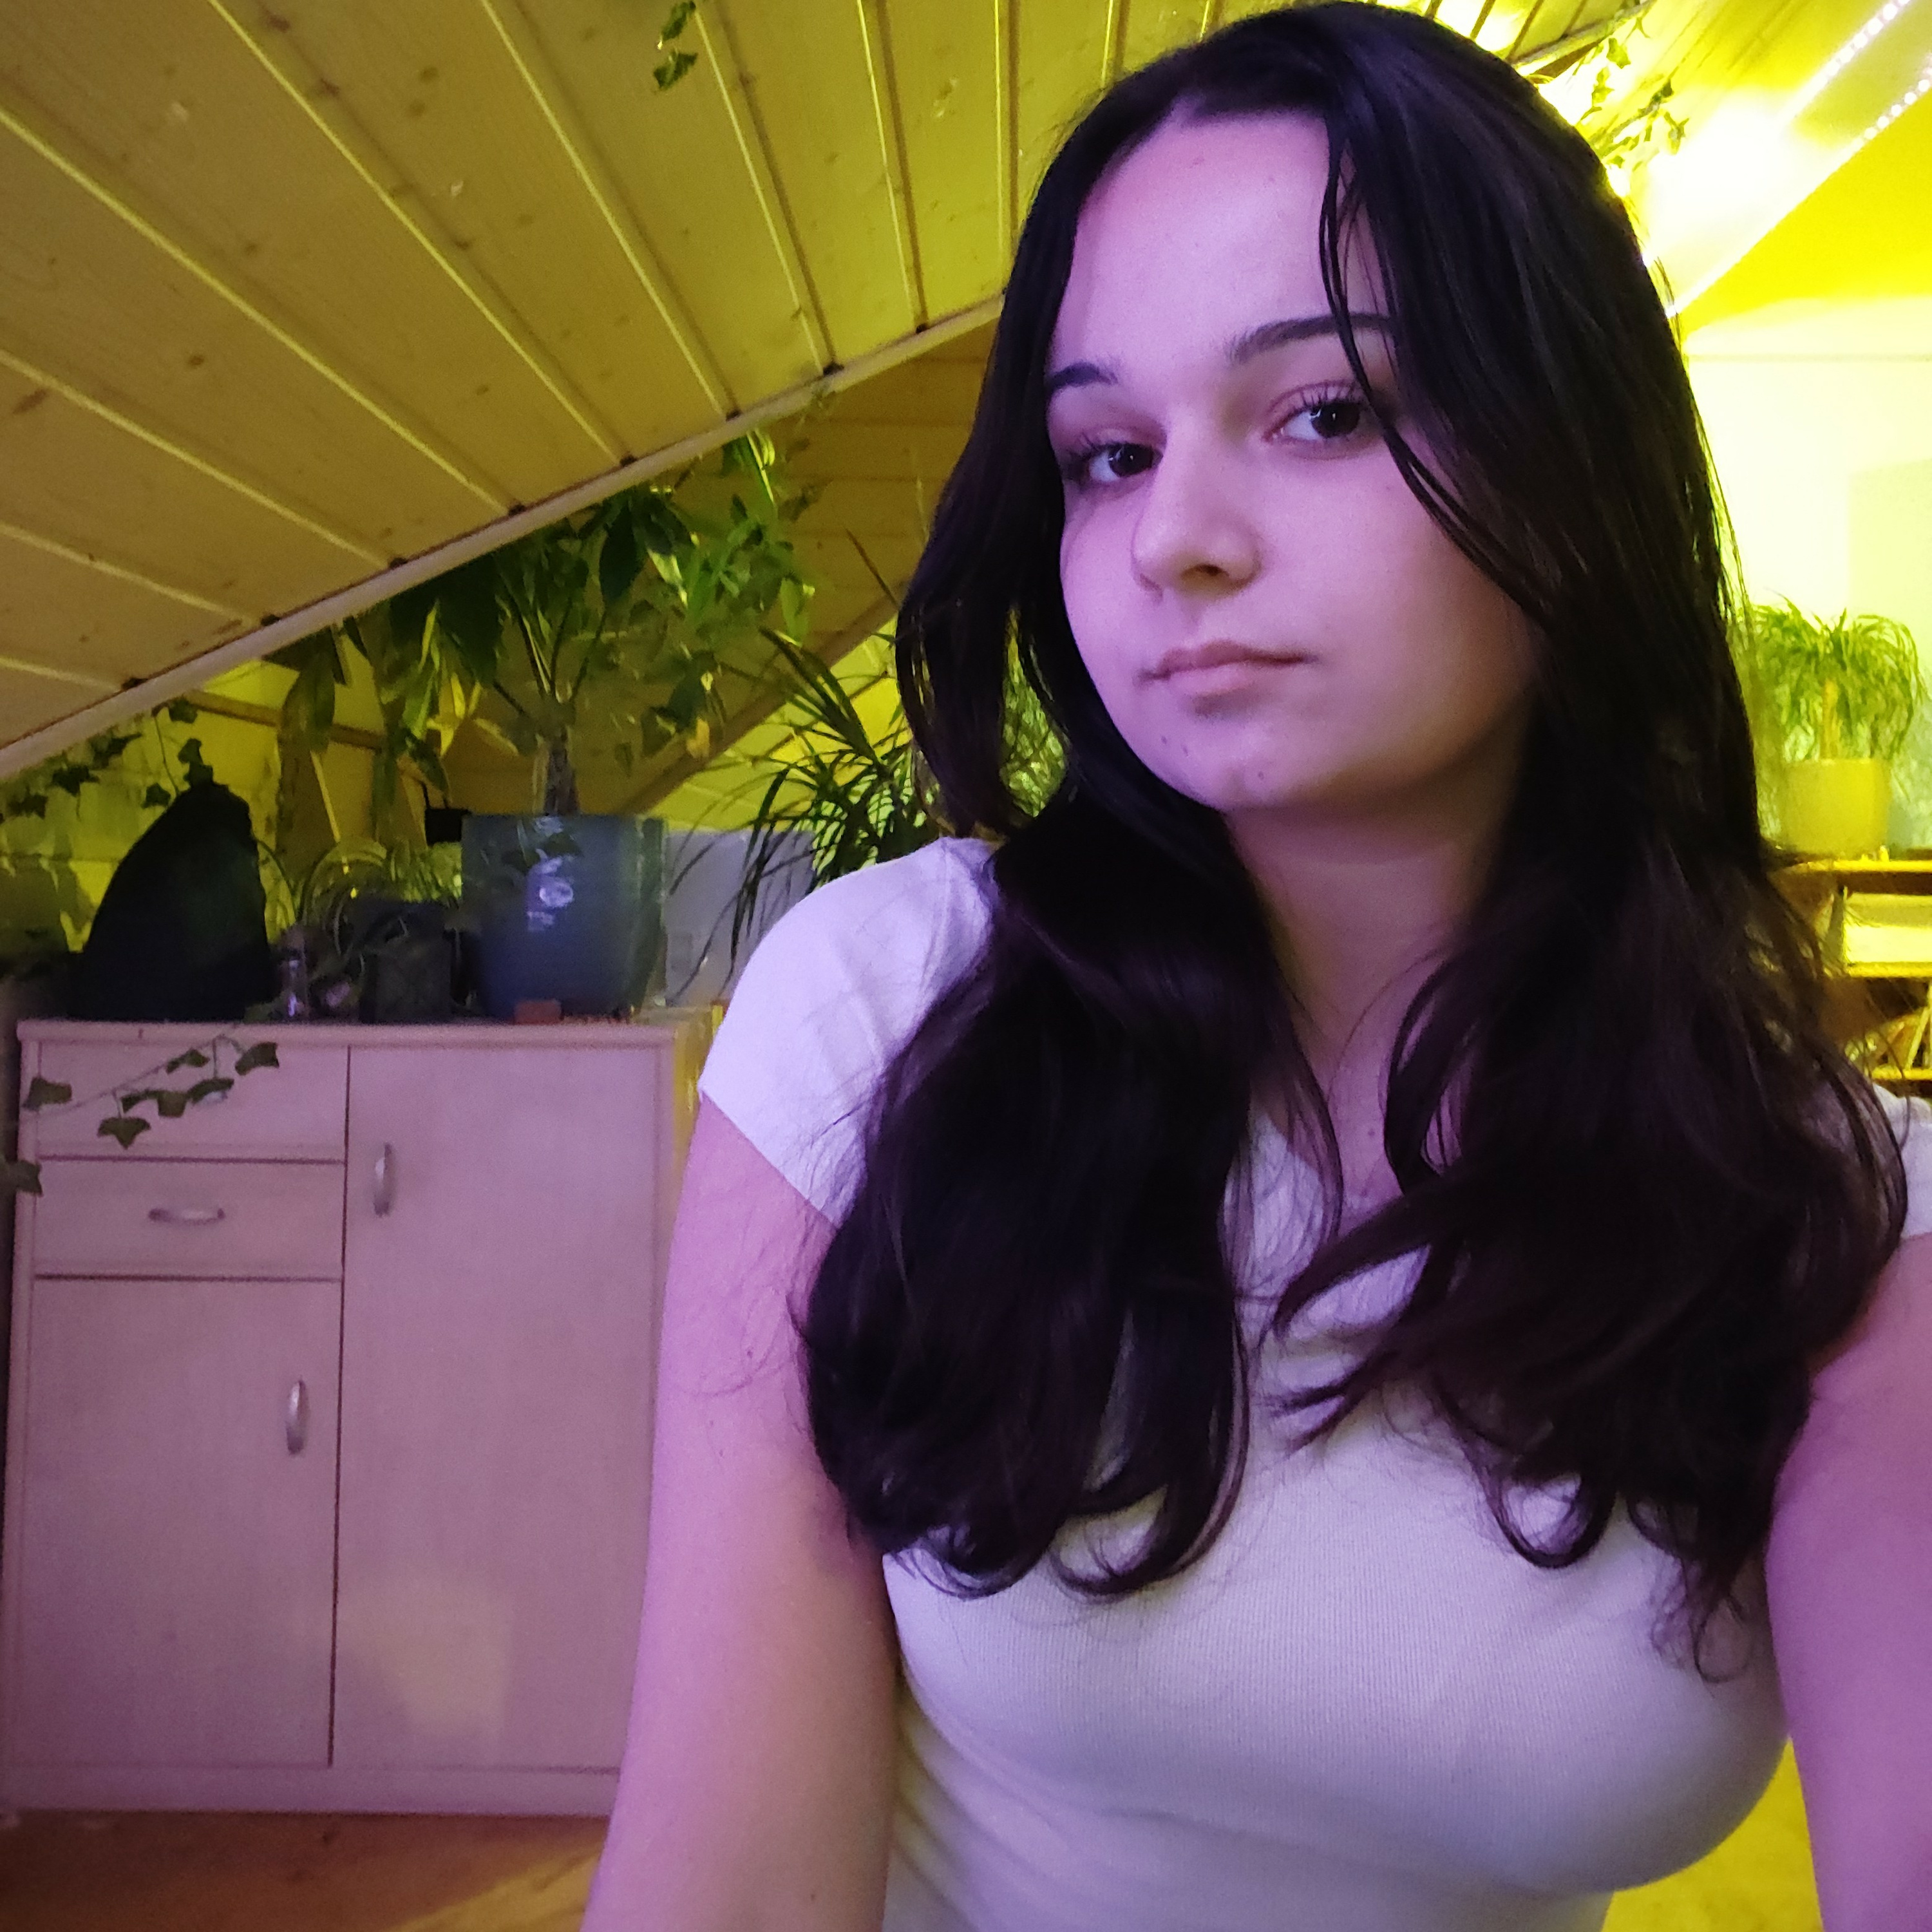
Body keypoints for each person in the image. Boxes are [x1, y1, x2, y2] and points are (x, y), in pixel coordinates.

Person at [583, 6, 1932, 1928]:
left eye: (1325, 413)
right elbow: (719, 1885)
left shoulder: (1825, 1210)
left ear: (1574, 466)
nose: (1175, 542)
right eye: (1107, 454)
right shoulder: (885, 1020)